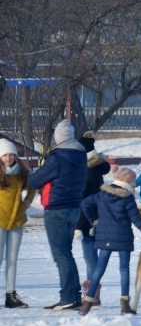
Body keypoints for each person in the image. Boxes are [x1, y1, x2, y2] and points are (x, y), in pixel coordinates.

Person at [78, 168, 141, 315]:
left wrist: (94, 220)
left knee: (99, 269)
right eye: (133, 180)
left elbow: (85, 204)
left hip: (105, 237)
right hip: (123, 238)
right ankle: (125, 305)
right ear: (127, 181)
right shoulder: (127, 198)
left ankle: (87, 302)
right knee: (124, 269)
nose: (134, 183)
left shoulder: (102, 194)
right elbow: (137, 221)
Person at [29, 119, 87, 311]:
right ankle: (74, 296)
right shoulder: (80, 155)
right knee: (66, 253)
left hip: (56, 209)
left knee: (61, 255)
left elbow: (35, 181)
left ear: (58, 138)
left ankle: (68, 297)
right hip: (74, 208)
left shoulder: (57, 157)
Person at [75, 131, 111, 307]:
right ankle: (93, 291)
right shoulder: (96, 168)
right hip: (98, 215)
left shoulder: (88, 173)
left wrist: (79, 225)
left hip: (89, 219)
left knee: (90, 257)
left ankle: (93, 292)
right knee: (92, 256)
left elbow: (86, 201)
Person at [0, 139, 33, 308]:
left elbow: (33, 187)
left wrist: (27, 203)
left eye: (11, 154)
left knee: (12, 259)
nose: (8, 158)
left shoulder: (22, 172)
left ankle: (10, 295)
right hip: (0, 221)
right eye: (5, 155)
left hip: (17, 220)